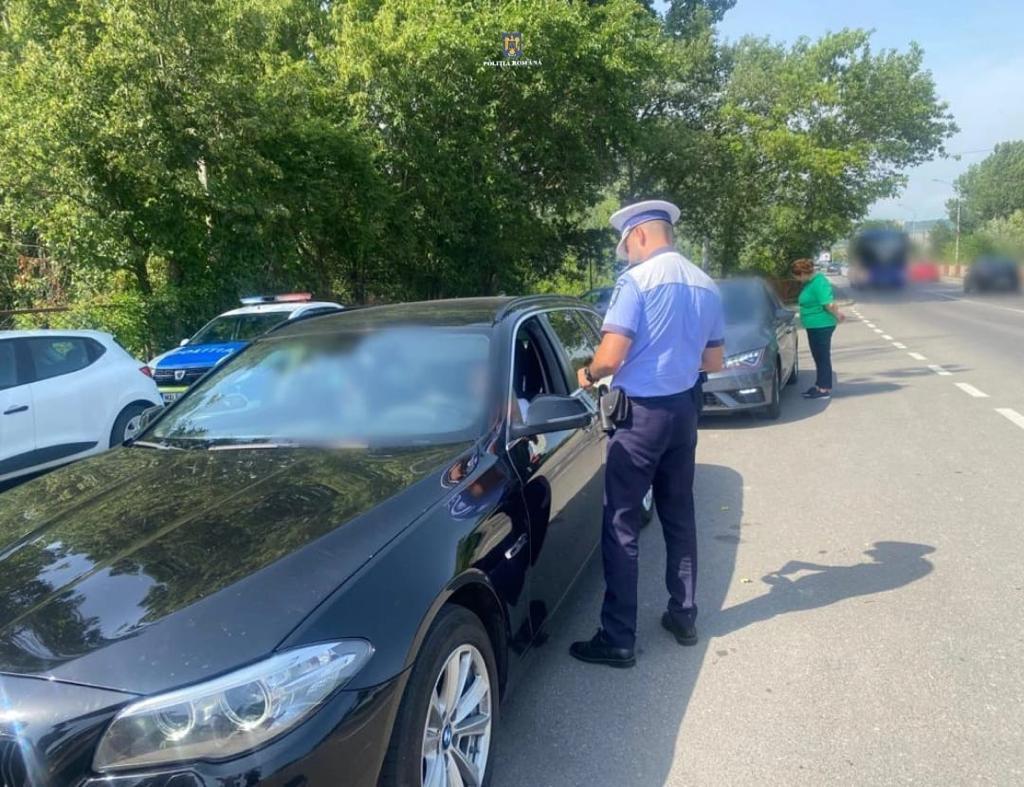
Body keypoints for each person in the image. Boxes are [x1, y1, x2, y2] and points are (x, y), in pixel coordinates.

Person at [570, 199, 725, 669]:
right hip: (684, 411)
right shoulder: (706, 284)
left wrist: (587, 373)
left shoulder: (635, 282)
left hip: (640, 417)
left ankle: (618, 637)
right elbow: (714, 362)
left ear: (639, 235)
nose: (628, 257)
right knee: (679, 514)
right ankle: (684, 615)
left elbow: (611, 357)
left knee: (621, 522)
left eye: (627, 248)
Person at [792, 258, 845, 399]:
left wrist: (838, 315)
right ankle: (819, 385)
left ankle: (824, 389)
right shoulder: (811, 283)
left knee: (822, 357)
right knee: (818, 356)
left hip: (822, 325)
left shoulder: (819, 282)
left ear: (803, 273)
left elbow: (828, 304)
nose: (797, 279)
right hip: (814, 326)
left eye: (797, 276)